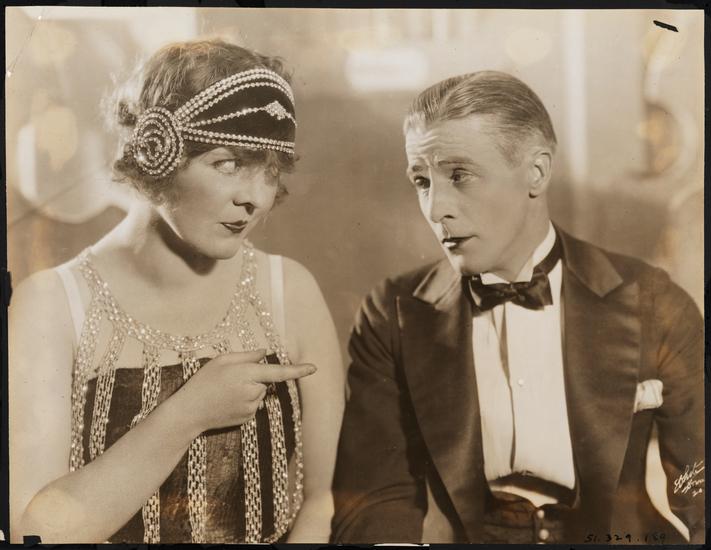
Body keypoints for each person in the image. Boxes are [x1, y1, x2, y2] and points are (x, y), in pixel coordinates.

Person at [331, 71, 703, 544]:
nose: (436, 208)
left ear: (536, 172)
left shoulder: (652, 300)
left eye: (459, 175)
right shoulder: (394, 313)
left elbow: (700, 485)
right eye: (422, 181)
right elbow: (374, 503)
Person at [9, 39, 344, 544]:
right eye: (229, 164)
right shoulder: (52, 305)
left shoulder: (289, 291)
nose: (255, 197)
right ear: (155, 153)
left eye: (271, 171)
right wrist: (188, 413)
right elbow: (32, 532)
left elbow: (322, 504)